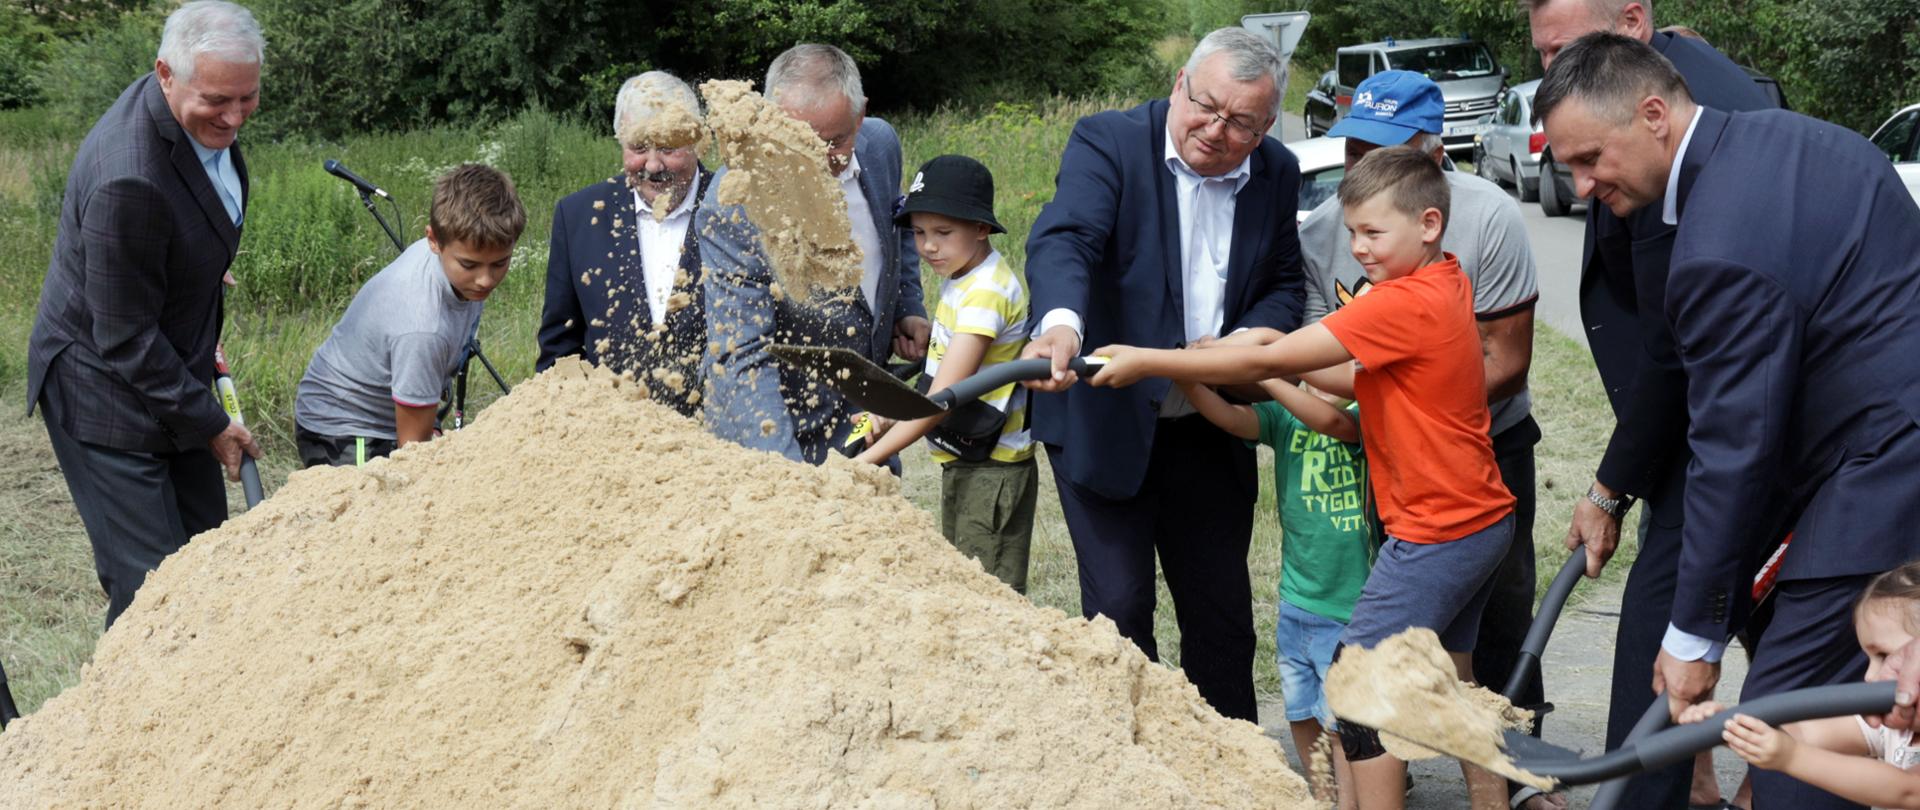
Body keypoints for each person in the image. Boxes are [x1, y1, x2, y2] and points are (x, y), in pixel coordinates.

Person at [1536, 32, 1920, 810]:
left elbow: (1732, 447)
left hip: (1883, 478)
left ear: (1653, 114)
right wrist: (1610, 490)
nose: (1579, 187)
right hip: (1874, 455)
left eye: (1589, 159)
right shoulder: (1801, 138)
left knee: (1782, 739)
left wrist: (1692, 641)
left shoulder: (1717, 245)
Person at [1090, 146, 1516, 810]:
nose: (1358, 248)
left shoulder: (1400, 303)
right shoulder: (1446, 281)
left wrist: (1153, 359)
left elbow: (1295, 351)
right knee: (1451, 682)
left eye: (1373, 232)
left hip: (1438, 534)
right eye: (1351, 232)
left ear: (1429, 224)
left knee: (1357, 683)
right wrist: (1243, 358)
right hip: (1482, 522)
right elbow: (1340, 375)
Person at [1527, 3, 1781, 806]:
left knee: (1672, 627)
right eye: (1542, 54)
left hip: (1723, 434)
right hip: (1698, 426)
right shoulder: (1663, 95)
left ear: (1633, 23)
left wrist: (1609, 489)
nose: (1551, 70)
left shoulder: (1699, 144)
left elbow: (1678, 357)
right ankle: (1714, 781)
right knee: (1760, 629)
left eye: (1565, 48)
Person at [1018, 26, 1305, 723]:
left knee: (1222, 619)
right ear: (1180, 83)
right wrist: (1061, 322)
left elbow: (1285, 285)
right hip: (1105, 420)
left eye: (1240, 122)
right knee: (1119, 612)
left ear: (1267, 124)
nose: (1215, 129)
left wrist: (1236, 348)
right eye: (1206, 105)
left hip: (1210, 423)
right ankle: (1136, 772)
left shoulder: (1277, 171)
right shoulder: (1109, 142)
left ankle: (1235, 778)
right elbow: (1068, 238)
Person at [1299, 68, 1550, 809]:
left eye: (1383, 148)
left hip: (1480, 452)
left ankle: (1524, 781)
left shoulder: (1487, 217)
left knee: (1476, 636)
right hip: (1398, 462)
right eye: (1352, 147)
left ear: (1432, 150)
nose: (1361, 166)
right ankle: (1478, 794)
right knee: (1446, 655)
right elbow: (1326, 361)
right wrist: (1389, 404)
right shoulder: (1327, 228)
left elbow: (1505, 356)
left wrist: (1426, 404)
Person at [25, 1, 265, 628]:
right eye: (218, 99)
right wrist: (213, 422)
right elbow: (125, 338)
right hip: (102, 387)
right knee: (152, 592)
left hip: (165, 368)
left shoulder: (193, 116)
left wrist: (200, 264)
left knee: (206, 558)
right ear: (165, 73)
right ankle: (120, 722)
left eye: (248, 97)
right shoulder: (128, 178)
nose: (235, 117)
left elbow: (188, 220)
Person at [702, 43, 928, 464]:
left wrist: (907, 305)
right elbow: (741, 355)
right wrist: (791, 480)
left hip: (866, 422)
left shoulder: (881, 146)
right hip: (782, 429)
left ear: (860, 116)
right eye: (799, 143)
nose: (819, 160)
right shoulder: (735, 203)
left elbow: (899, 230)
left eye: (835, 141)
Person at [1180, 374, 1367, 809]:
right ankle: (1323, 798)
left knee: (1344, 726)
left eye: (1332, 366)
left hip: (1350, 608)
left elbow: (1329, 420)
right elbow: (1229, 417)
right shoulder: (1283, 417)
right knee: (1301, 714)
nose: (1320, 377)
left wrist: (1263, 371)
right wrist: (1184, 377)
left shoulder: (1365, 417)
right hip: (1297, 602)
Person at [851, 155, 1036, 593]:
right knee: (962, 582)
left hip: (993, 470)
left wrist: (863, 462)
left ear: (981, 228)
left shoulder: (986, 292)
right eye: (918, 232)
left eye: (942, 233)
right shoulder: (965, 275)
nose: (927, 246)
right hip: (967, 460)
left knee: (986, 596)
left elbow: (940, 400)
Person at [293, 164, 527, 467]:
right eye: (470, 265)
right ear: (433, 240)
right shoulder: (423, 327)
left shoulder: (457, 262)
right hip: (345, 428)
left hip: (391, 408)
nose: (485, 280)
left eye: (500, 263)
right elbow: (412, 456)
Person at [1678, 563, 1920, 810]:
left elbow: (1907, 790)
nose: (1869, 676)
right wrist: (1733, 727)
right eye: (1868, 658)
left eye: (1884, 655)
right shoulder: (1892, 729)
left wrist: (1790, 756)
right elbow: (1807, 733)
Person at [538, 71, 711, 416]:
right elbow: (561, 350)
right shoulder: (578, 216)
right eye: (638, 148)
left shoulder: (737, 212)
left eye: (667, 148)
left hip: (719, 440)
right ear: (619, 141)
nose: (652, 165)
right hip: (613, 437)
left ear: (696, 140)